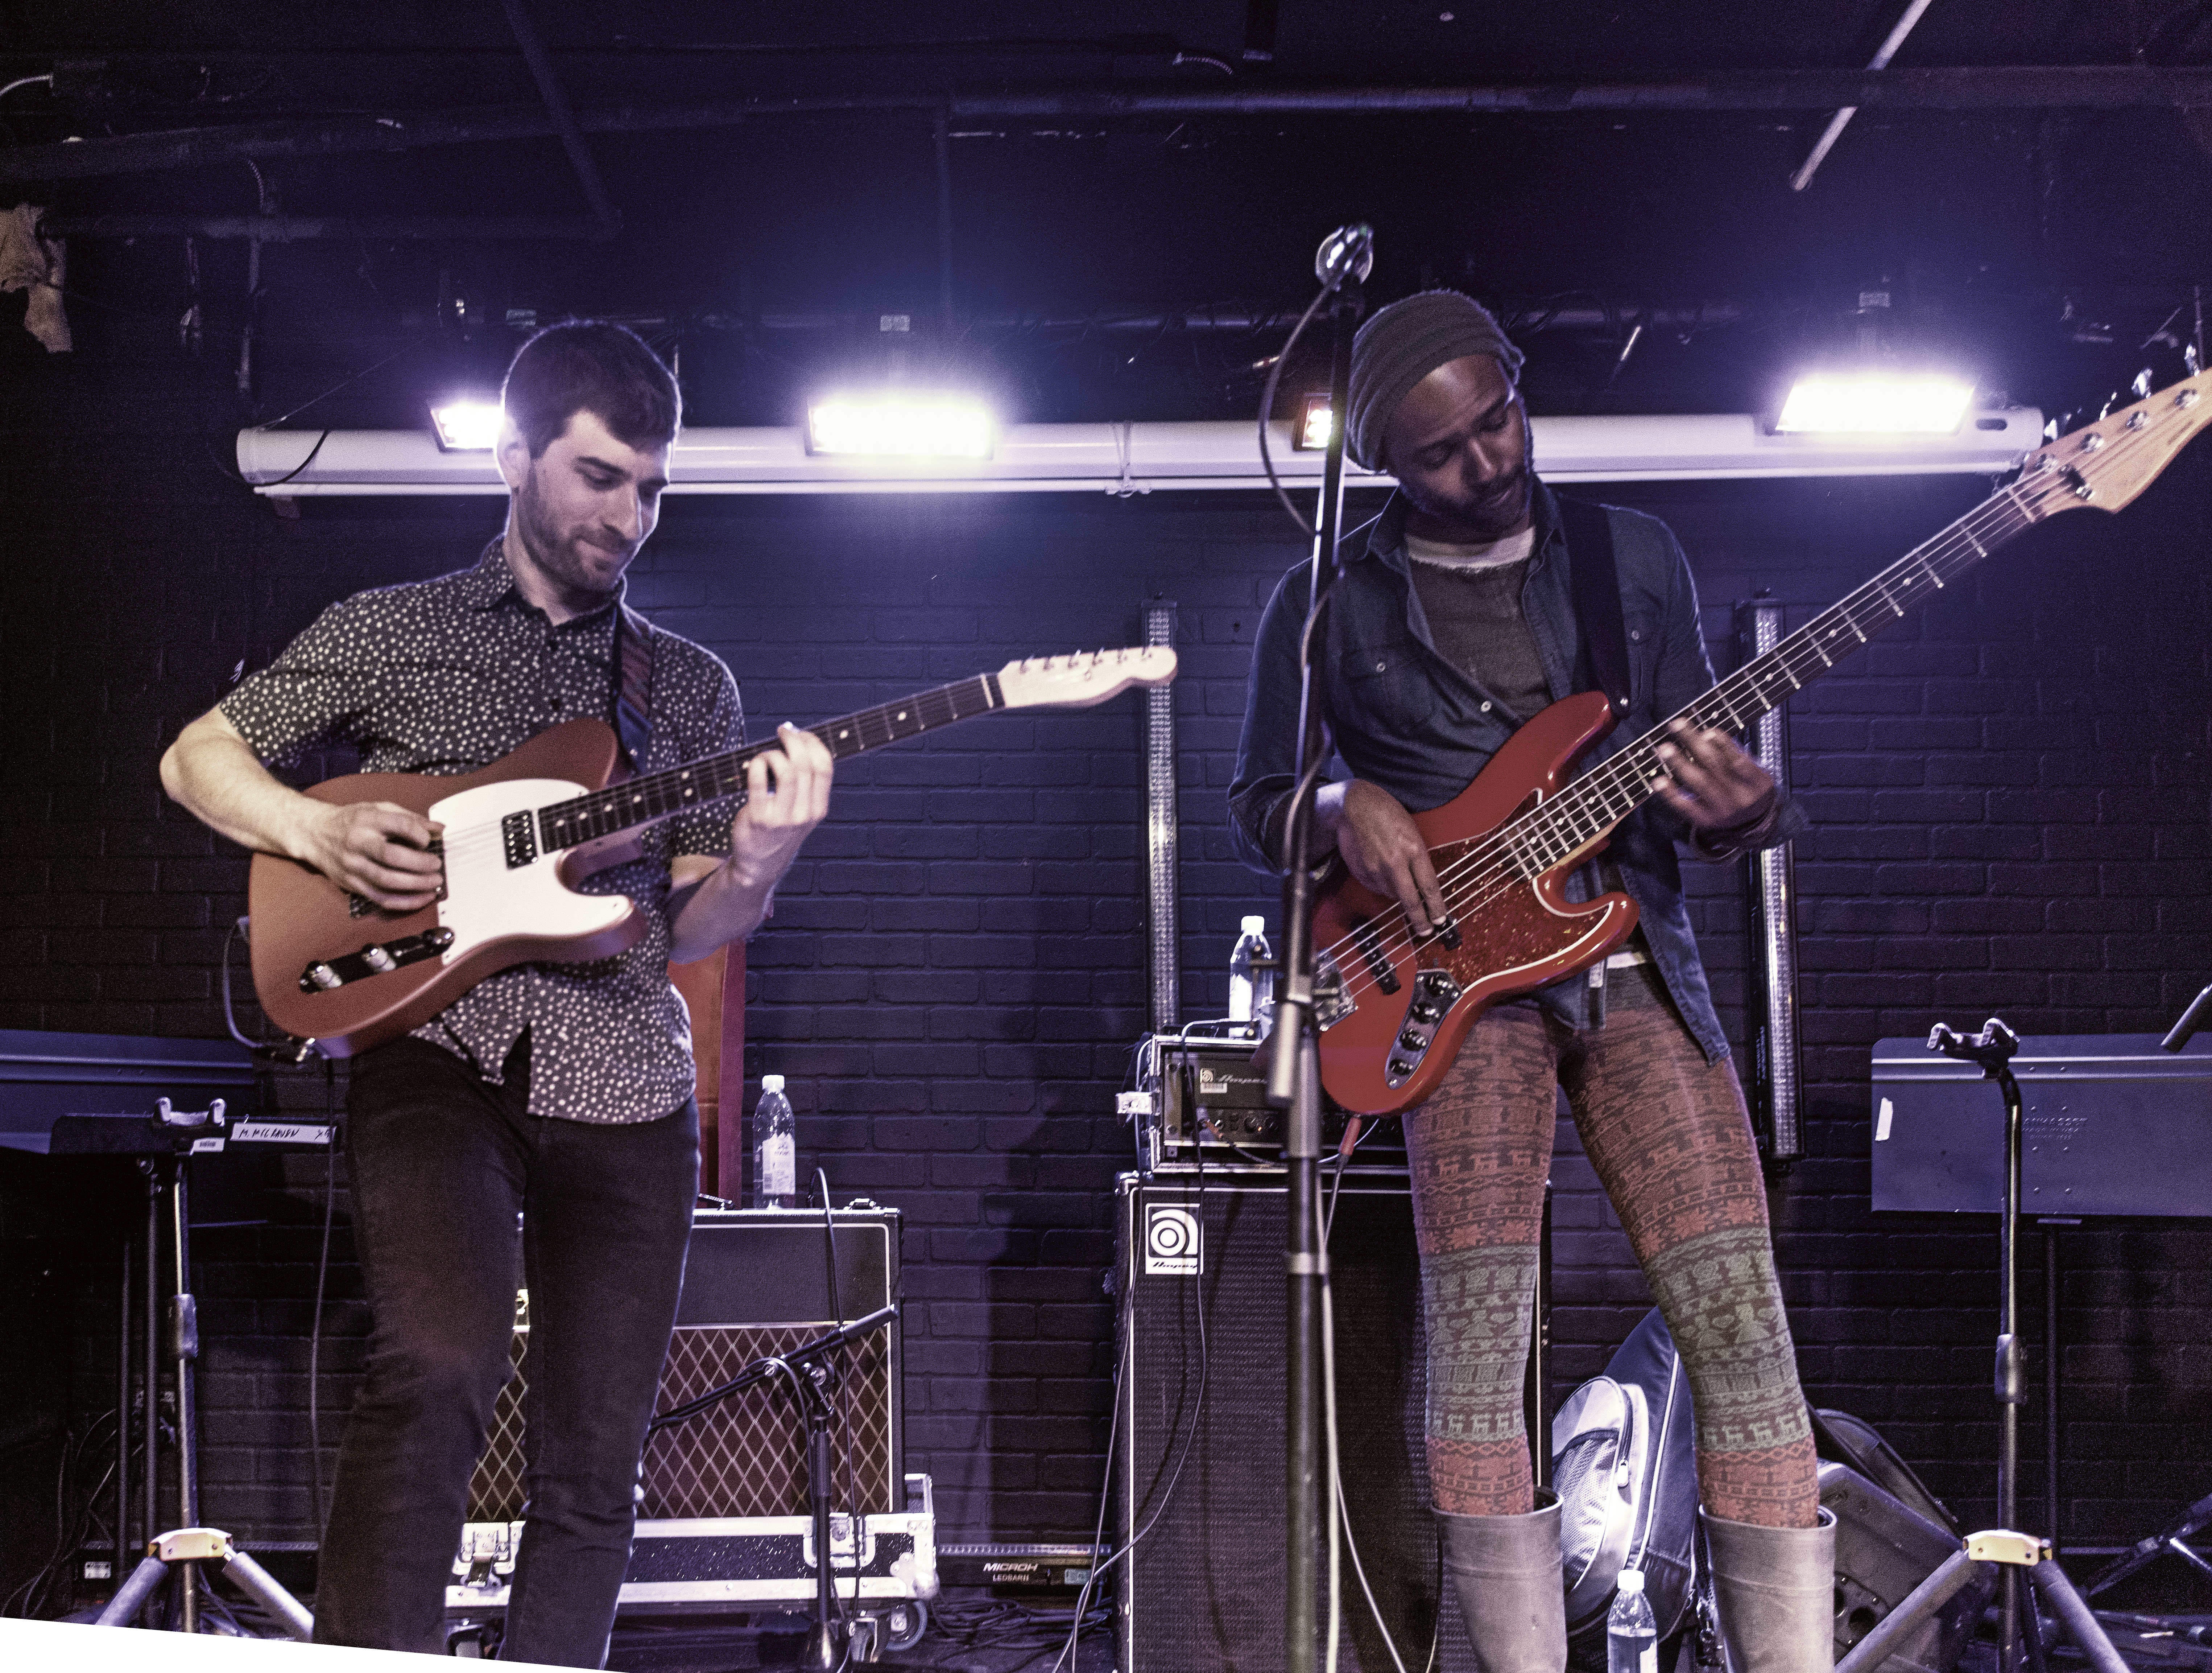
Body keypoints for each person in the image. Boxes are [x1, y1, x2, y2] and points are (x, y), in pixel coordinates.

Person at [160, 321, 834, 1666]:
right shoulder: (390, 631)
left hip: (627, 1082)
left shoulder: (685, 686)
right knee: (437, 1370)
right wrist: (312, 832)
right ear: (516, 459)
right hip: (437, 1056)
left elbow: (700, 922)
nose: (629, 517)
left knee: (597, 1458)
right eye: (599, 478)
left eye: (651, 488)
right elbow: (199, 758)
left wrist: (763, 860)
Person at [1228, 291, 1831, 1673]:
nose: (1489, 461)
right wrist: (1338, 809)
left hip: (1630, 965)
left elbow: (1692, 787)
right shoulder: (1326, 595)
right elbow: (1254, 799)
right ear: (1385, 465)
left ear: (1515, 384)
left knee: (1744, 1336)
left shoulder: (1634, 558)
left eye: (1497, 419)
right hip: (1457, 996)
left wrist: (1741, 808)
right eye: (1443, 454)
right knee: (1479, 1352)